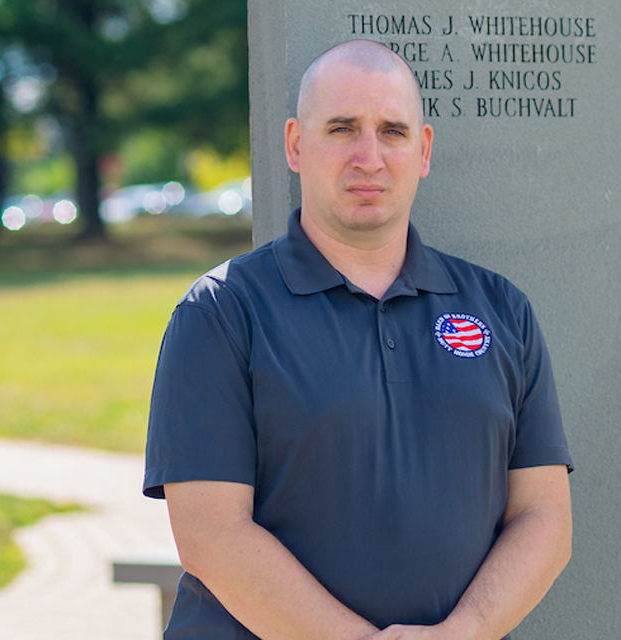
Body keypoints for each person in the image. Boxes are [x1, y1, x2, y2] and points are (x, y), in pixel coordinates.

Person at [144, 39, 573, 640]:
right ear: (296, 144)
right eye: (342, 128)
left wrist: (464, 633)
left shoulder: (503, 310)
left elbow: (544, 516)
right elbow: (211, 536)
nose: (368, 156)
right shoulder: (220, 313)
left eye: (392, 131)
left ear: (423, 150)